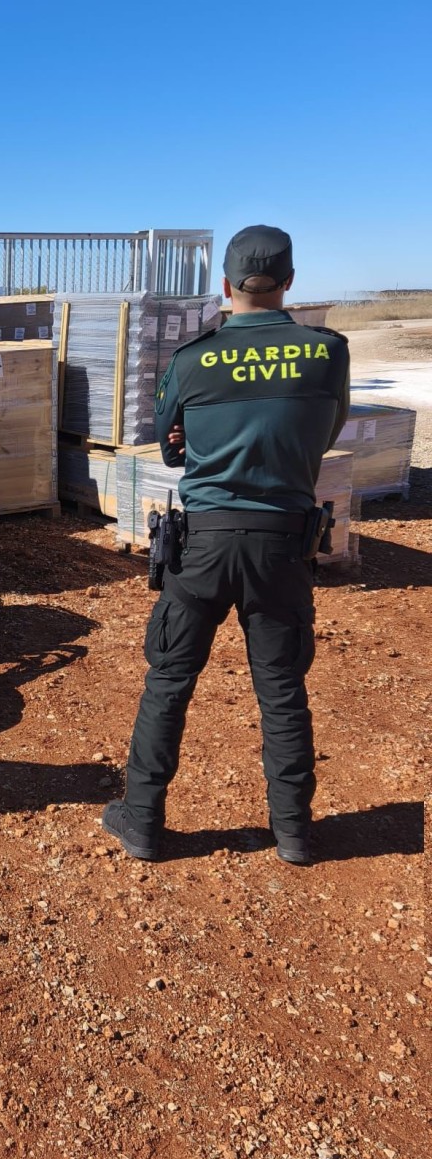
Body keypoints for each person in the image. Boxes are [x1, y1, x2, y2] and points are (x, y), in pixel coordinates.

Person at [102, 225, 351, 866]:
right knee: (282, 688)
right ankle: (293, 832)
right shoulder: (328, 353)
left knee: (169, 681)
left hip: (203, 547)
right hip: (283, 545)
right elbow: (324, 435)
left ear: (224, 286)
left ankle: (143, 824)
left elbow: (169, 446)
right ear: (290, 282)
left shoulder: (192, 359)